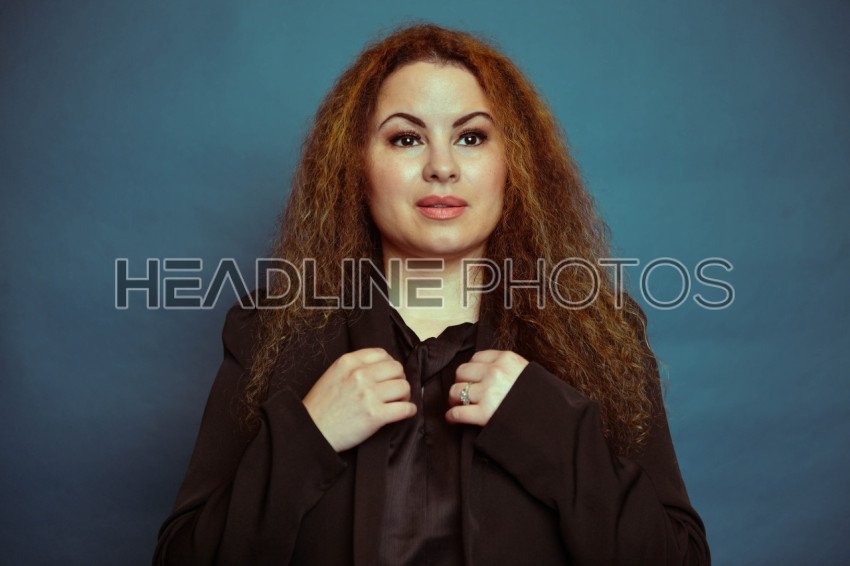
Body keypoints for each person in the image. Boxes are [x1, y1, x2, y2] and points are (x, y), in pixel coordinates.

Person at [153, 23, 710, 565]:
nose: (441, 167)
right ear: (356, 165)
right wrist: (307, 437)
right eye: (406, 138)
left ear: (514, 163)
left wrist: (552, 429)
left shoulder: (597, 331)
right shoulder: (270, 331)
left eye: (471, 137)